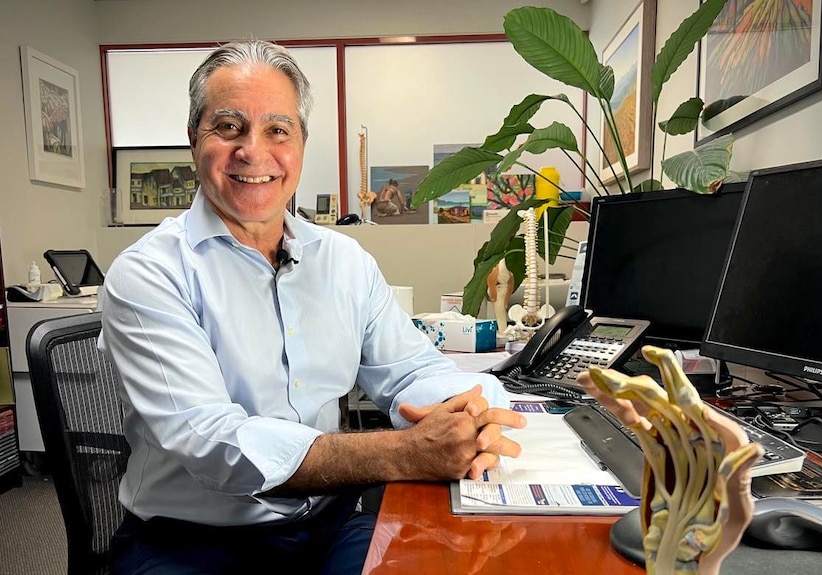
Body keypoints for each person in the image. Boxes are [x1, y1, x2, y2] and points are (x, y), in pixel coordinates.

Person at [98, 39, 526, 575]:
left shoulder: (344, 261)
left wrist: (470, 413)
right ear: (193, 139)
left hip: (330, 522)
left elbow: (411, 369)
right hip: (189, 542)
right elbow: (212, 441)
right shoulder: (148, 273)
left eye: (278, 129)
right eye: (229, 127)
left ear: (300, 144)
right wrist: (405, 451)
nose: (253, 152)